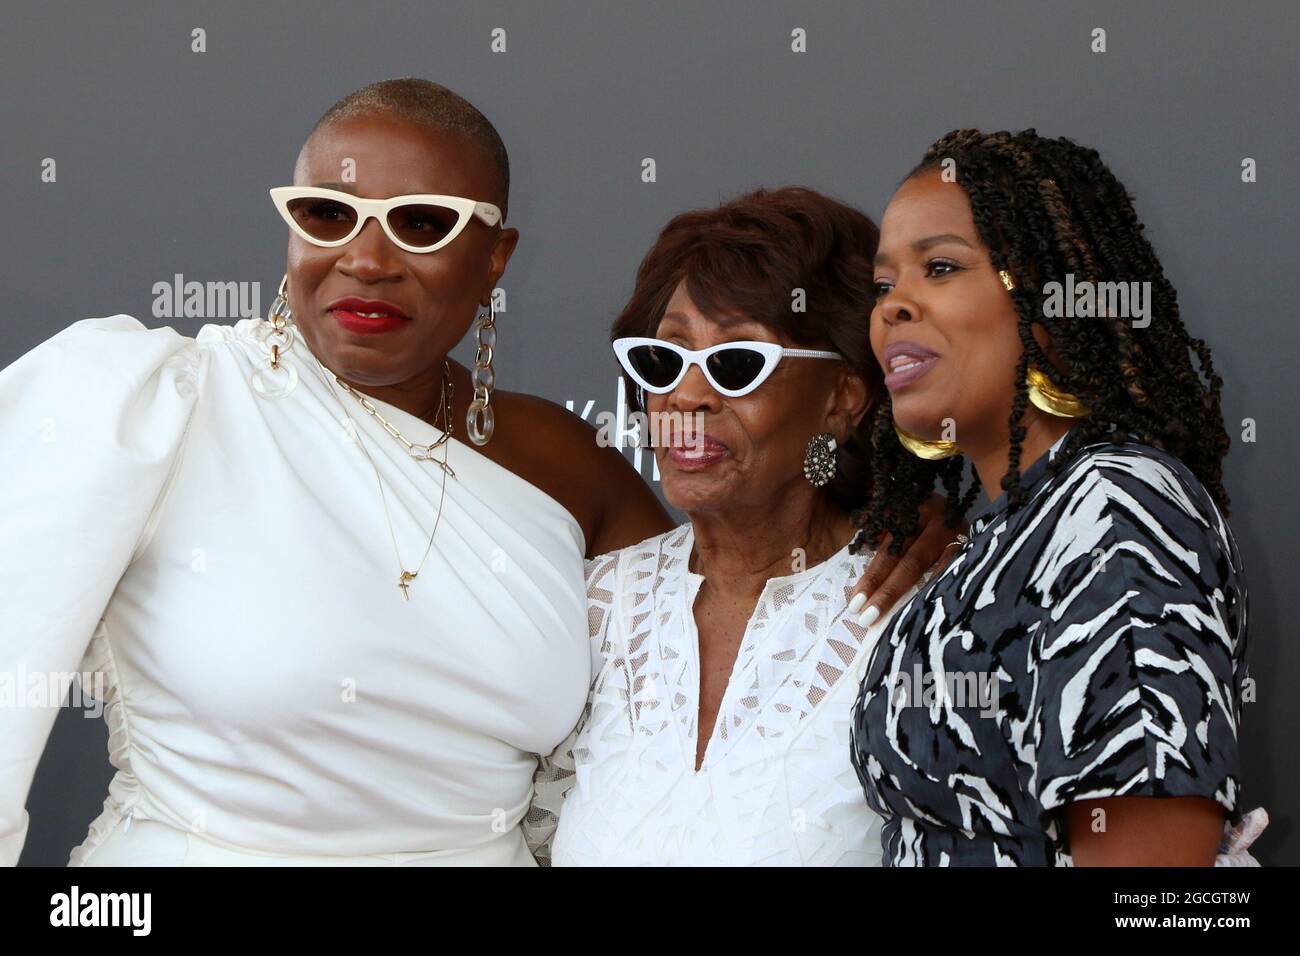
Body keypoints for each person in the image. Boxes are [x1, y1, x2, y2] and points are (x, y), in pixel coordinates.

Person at [0, 77, 938, 867]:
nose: (366, 258)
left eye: (422, 223)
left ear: (495, 259)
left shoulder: (563, 464)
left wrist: (922, 528)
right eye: (329, 213)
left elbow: (749, 576)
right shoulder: (150, 401)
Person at [848, 128, 1262, 866]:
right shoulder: (1011, 527)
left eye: (939, 268)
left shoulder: (1116, 512)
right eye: (884, 286)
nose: (893, 308)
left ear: (1051, 300)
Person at [525, 187, 960, 865]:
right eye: (662, 361)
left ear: (842, 400)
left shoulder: (928, 614)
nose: (685, 396)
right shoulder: (592, 609)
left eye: (735, 363)